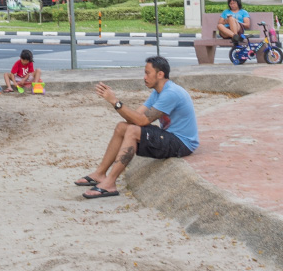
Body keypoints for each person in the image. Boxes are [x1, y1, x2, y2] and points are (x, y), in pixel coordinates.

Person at [75, 56, 199, 199]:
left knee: (133, 131)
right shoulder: (158, 92)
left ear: (160, 74)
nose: (144, 77)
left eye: (147, 73)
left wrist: (115, 101)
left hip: (182, 143)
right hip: (169, 136)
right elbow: (135, 117)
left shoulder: (171, 93)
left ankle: (110, 183)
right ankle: (100, 174)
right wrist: (114, 102)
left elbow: (141, 121)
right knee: (122, 127)